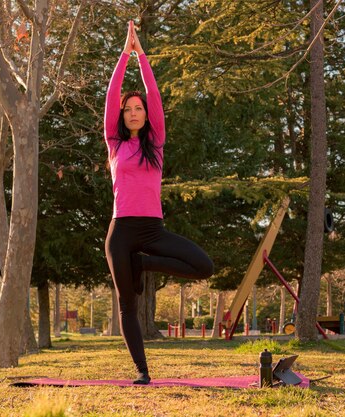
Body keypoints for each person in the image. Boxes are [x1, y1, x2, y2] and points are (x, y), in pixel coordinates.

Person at [104, 21, 214, 384]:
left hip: (153, 231)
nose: (134, 111)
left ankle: (146, 264)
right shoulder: (115, 144)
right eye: (128, 109)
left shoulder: (157, 141)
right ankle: (142, 371)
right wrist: (124, 55)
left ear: (146, 114)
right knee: (127, 305)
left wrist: (142, 55)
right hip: (121, 232)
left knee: (203, 266)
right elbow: (111, 95)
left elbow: (154, 93)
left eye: (138, 108)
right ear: (122, 116)